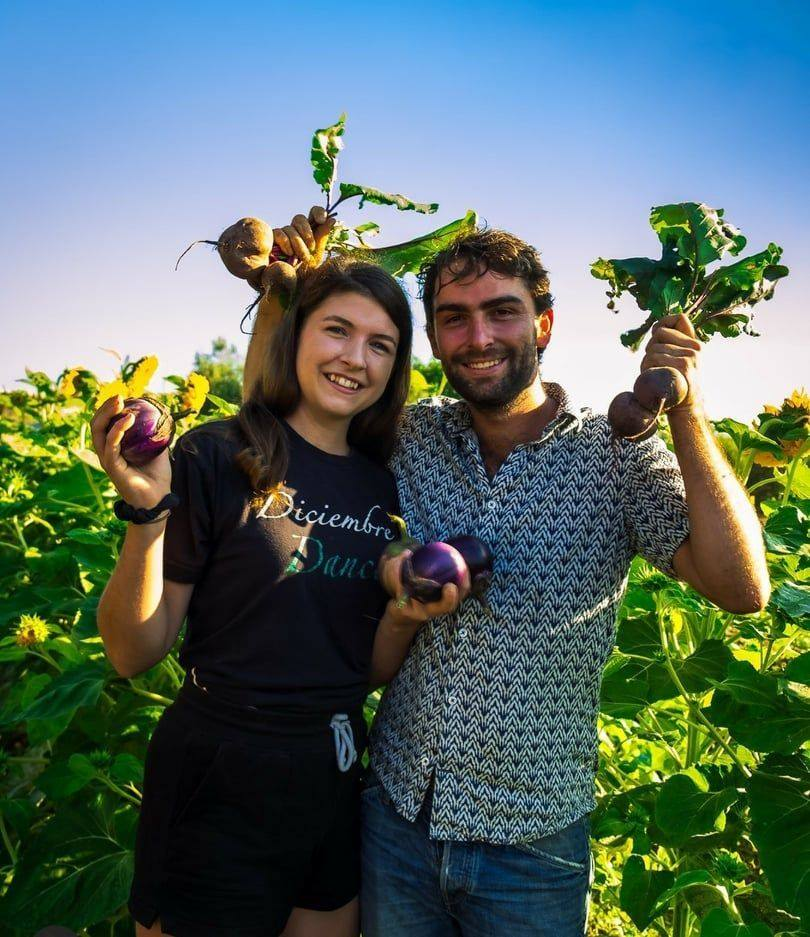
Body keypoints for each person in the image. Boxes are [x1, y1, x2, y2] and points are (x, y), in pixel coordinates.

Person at [246, 214, 770, 936]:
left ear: (544, 324)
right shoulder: (410, 435)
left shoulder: (616, 453)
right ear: (433, 339)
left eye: (502, 312)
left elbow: (743, 590)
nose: (479, 337)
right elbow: (278, 430)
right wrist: (282, 291)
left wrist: (689, 411)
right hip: (396, 817)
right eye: (454, 319)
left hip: (532, 844)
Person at [91, 257, 461, 937]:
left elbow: (363, 668)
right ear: (296, 336)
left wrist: (406, 616)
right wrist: (146, 516)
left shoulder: (383, 489)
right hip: (220, 768)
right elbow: (131, 652)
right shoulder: (218, 456)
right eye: (337, 330)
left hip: (333, 770)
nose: (356, 357)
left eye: (380, 344)